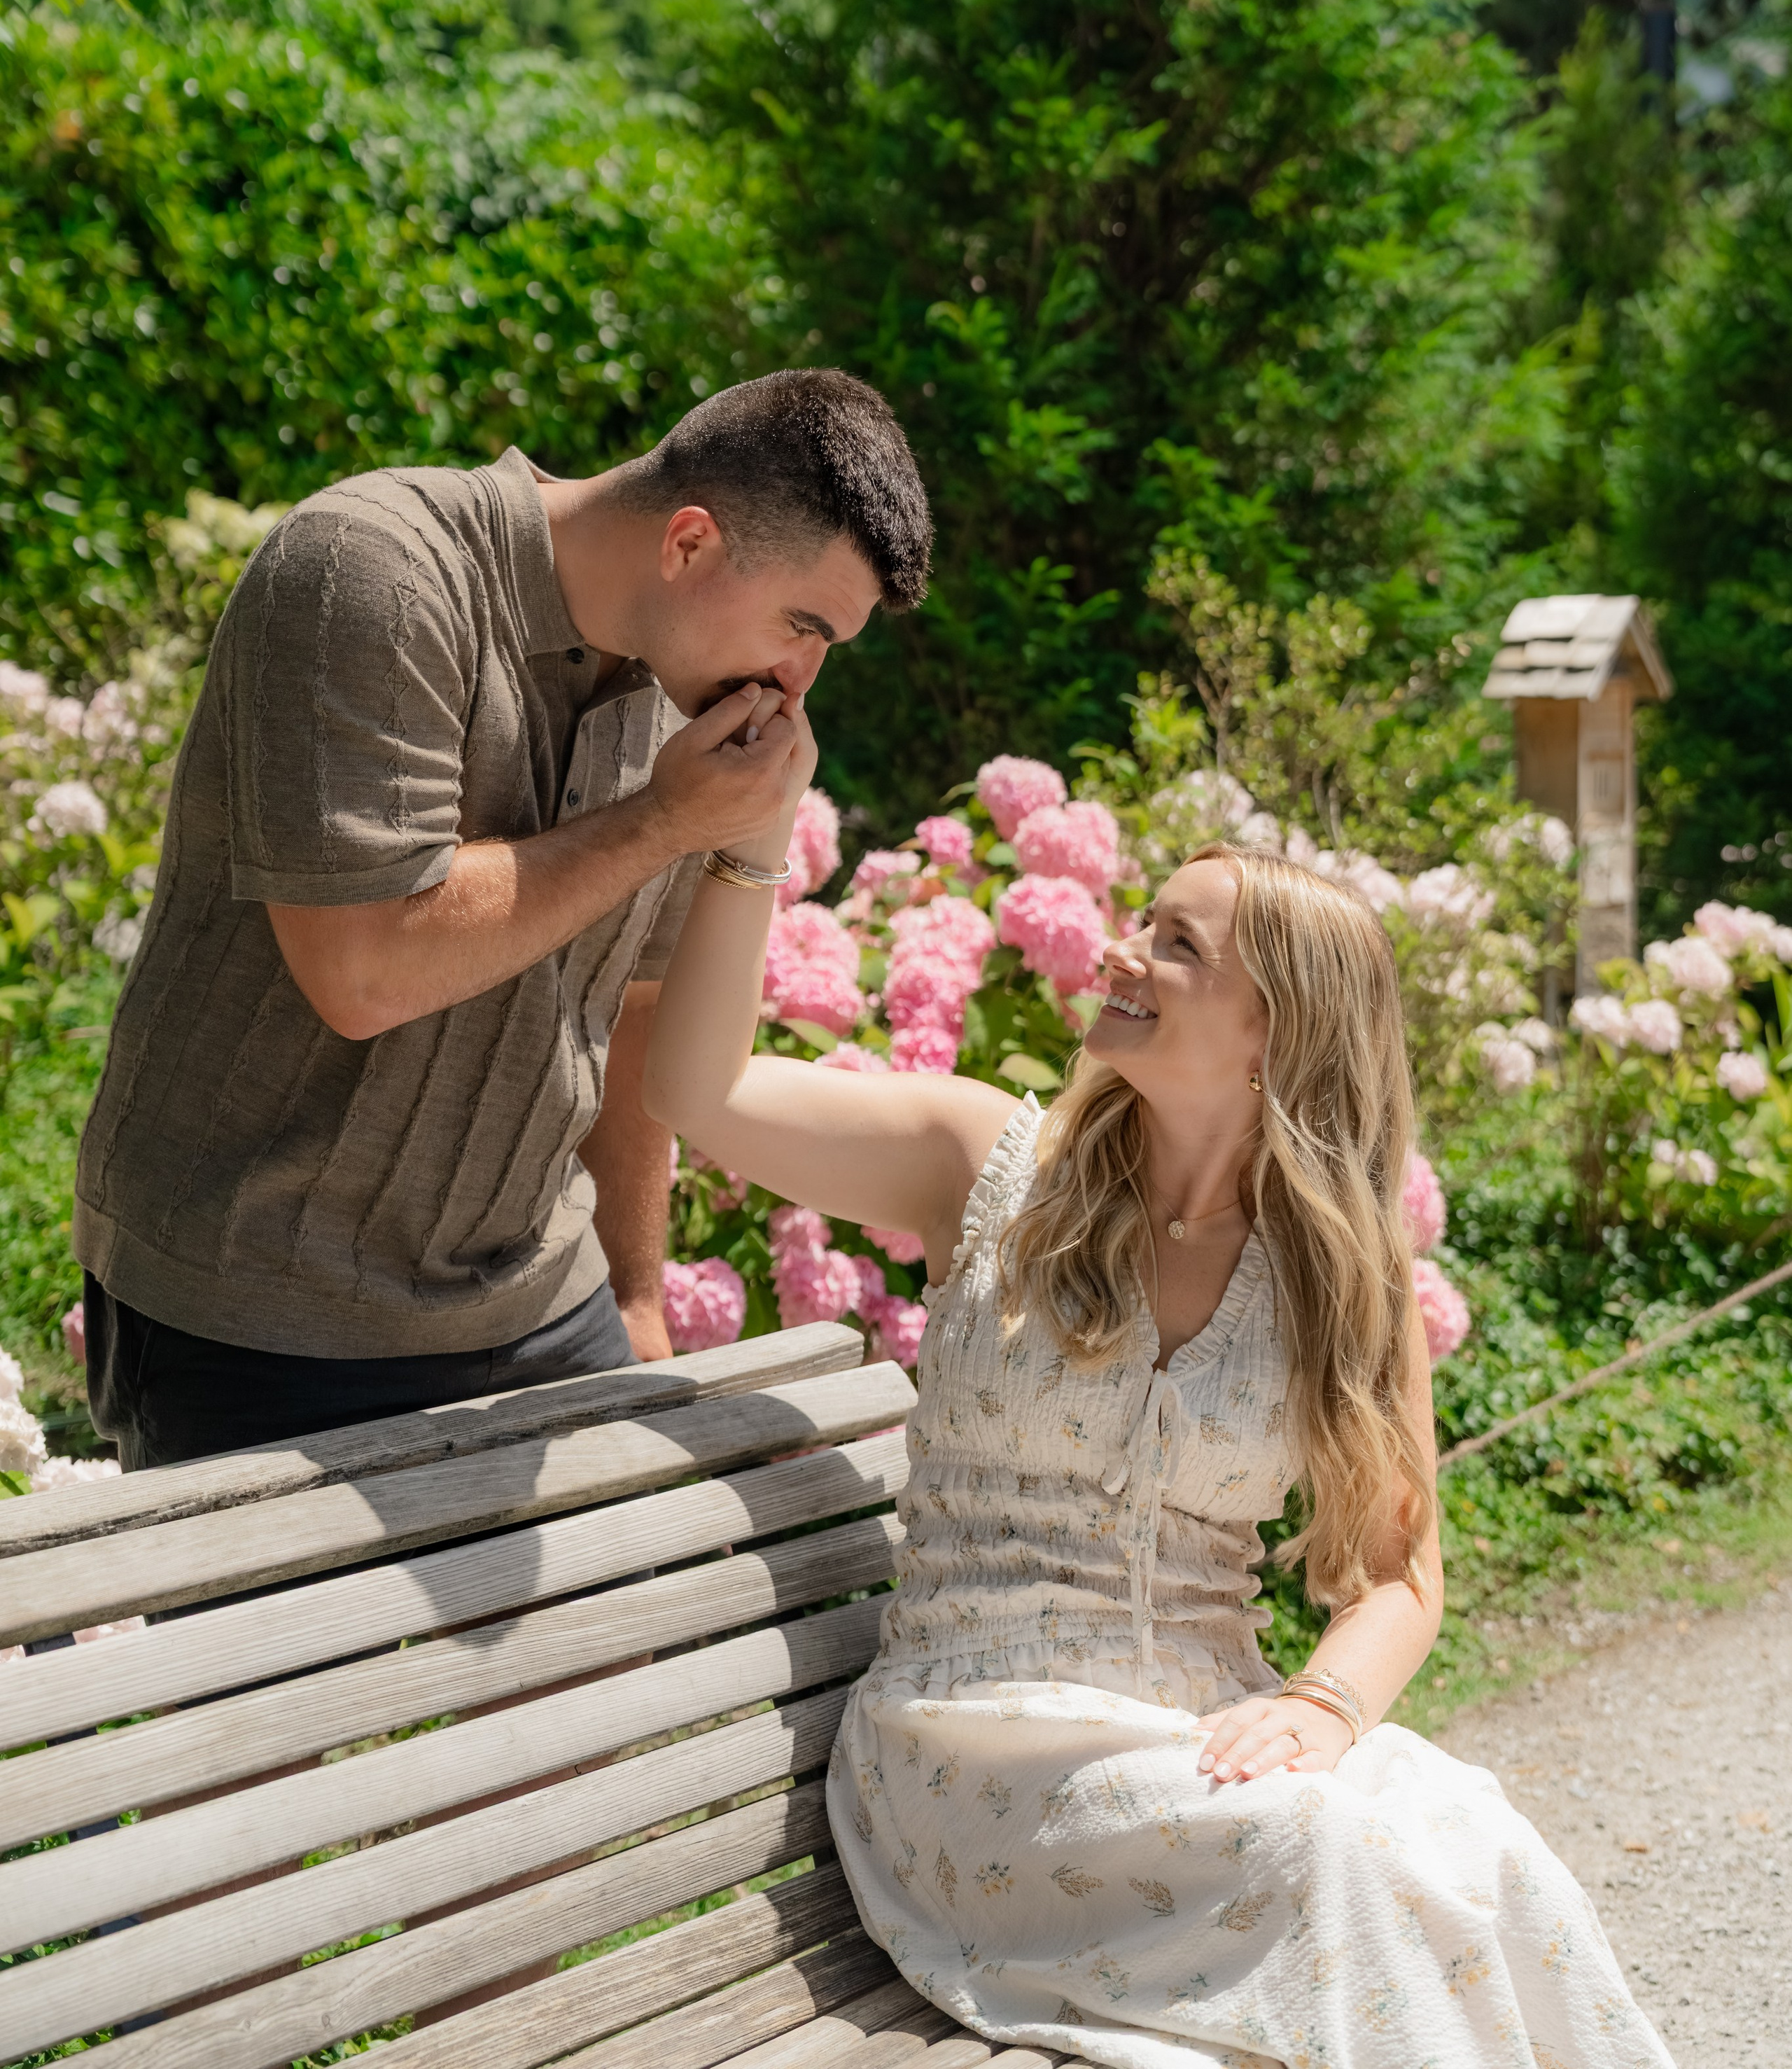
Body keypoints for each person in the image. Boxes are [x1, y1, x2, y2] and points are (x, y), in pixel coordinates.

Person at [642, 713, 1677, 2069]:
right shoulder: (985, 1166)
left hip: (1207, 1748)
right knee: (1332, 1852)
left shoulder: (1337, 1278)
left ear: (1270, 1036)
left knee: (1475, 1844)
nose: (1123, 950)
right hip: (971, 1753)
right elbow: (697, 1091)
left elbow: (1398, 1576)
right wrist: (752, 838)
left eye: (1177, 946)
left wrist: (1319, 1707)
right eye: (1143, 921)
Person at [74, 371, 930, 1470]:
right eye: (803, 627)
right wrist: (664, 820)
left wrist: (634, 1291)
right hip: (255, 1313)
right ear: (689, 545)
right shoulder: (368, 571)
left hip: (540, 1296)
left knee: (651, 1624)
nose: (800, 680)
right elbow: (364, 969)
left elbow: (636, 1016)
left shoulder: (689, 693)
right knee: (288, 1653)